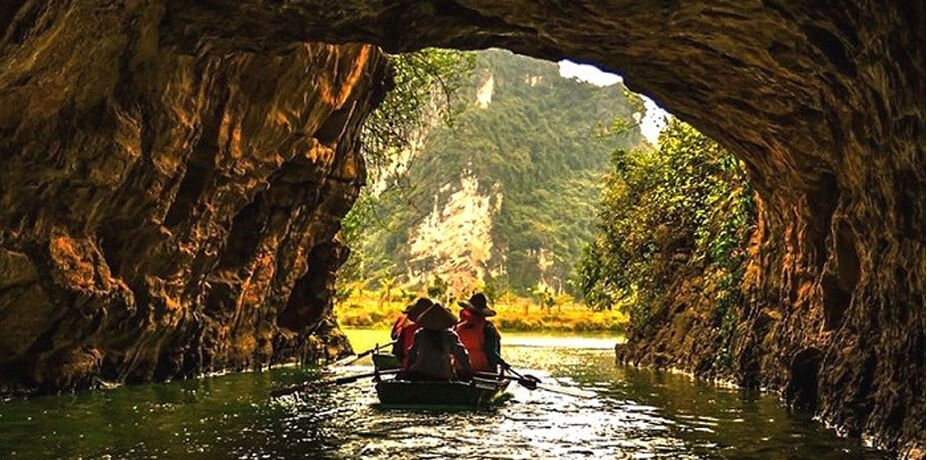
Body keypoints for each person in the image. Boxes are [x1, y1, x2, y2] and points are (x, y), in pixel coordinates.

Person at [403, 303, 472, 381]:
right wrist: (468, 371)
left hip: (420, 373)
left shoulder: (420, 334)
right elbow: (461, 354)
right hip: (443, 375)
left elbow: (412, 354)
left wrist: (407, 370)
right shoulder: (449, 335)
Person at [454, 293, 502, 374]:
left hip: (461, 369)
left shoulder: (458, 326)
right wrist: (501, 363)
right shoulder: (488, 327)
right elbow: (491, 352)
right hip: (483, 369)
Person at [390, 298, 433, 369]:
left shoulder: (408, 329)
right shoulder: (443, 331)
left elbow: (398, 353)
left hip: (410, 368)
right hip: (436, 369)